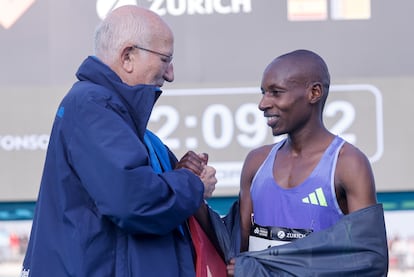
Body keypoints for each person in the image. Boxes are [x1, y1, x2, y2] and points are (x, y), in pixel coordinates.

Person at [21, 5, 217, 277]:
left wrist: (180, 174)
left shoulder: (112, 115)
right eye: (165, 59)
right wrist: (193, 184)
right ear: (128, 56)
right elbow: (135, 201)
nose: (170, 73)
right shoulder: (92, 106)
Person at [215, 49, 388, 276]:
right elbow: (235, 250)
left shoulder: (347, 164)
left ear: (314, 92)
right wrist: (194, 193)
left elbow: (369, 261)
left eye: (276, 92)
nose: (263, 103)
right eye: (264, 92)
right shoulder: (256, 162)